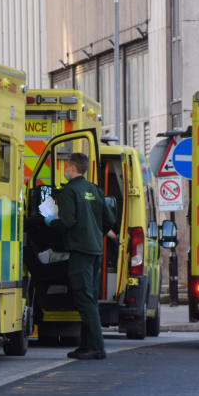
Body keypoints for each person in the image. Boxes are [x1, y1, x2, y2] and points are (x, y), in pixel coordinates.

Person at [45, 151, 116, 360]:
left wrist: (49, 220)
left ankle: (97, 346)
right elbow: (109, 219)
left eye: (66, 166)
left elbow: (67, 222)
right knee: (90, 299)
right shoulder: (94, 189)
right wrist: (94, 230)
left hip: (80, 252)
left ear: (72, 168)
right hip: (95, 251)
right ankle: (86, 346)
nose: (65, 170)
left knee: (83, 299)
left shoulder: (69, 191)